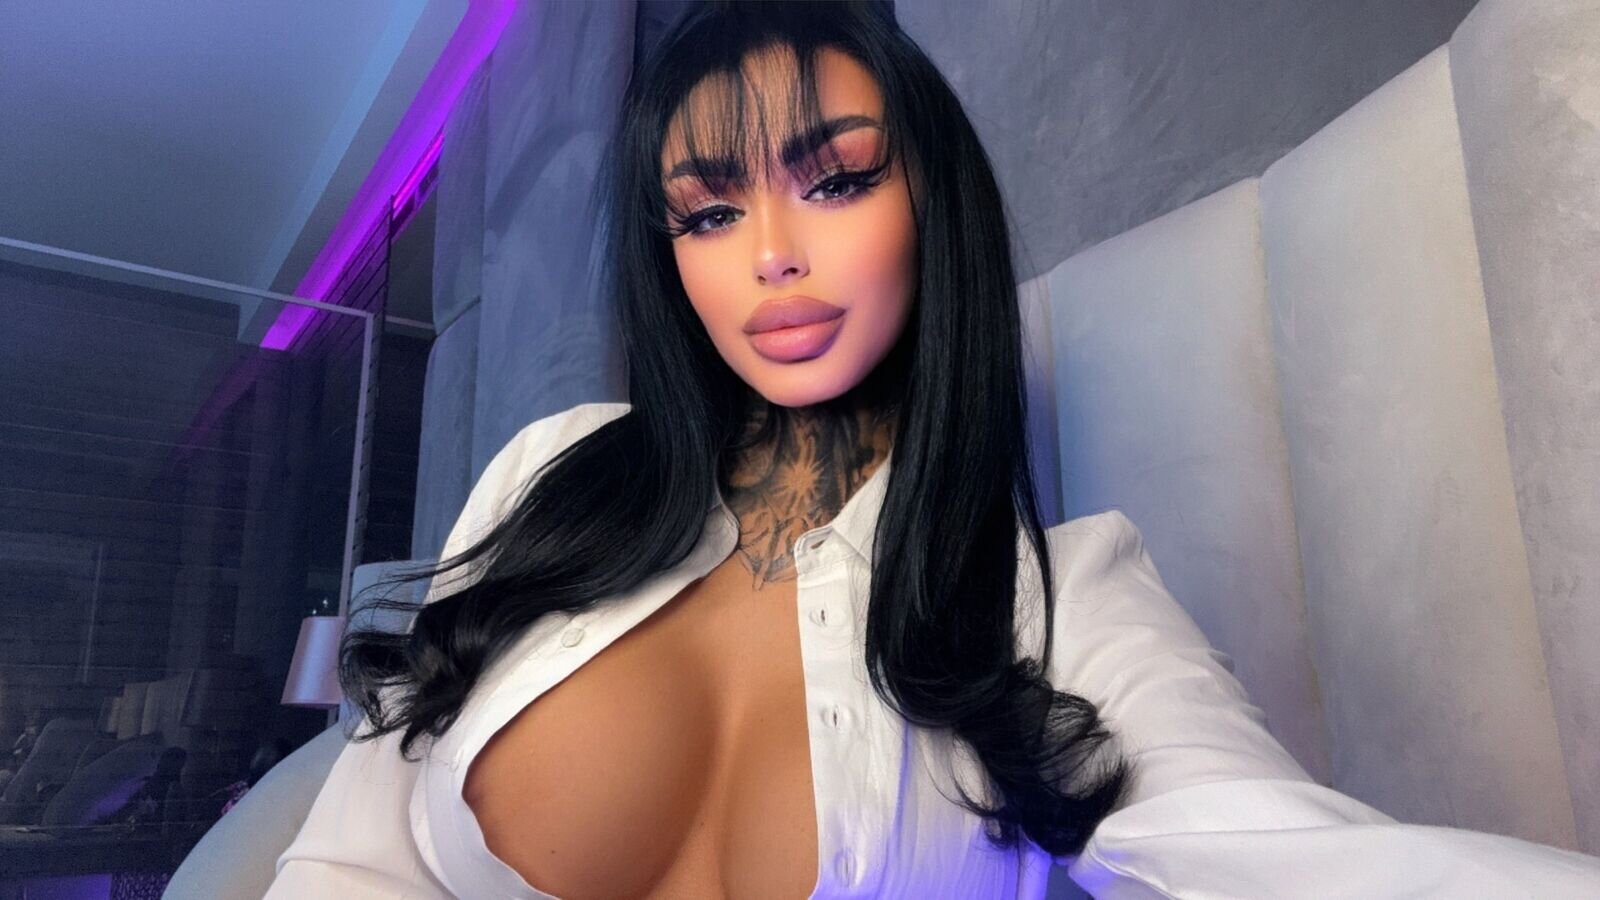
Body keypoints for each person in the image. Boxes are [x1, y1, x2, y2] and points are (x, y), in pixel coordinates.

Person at [268, 3, 1600, 897]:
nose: (772, 253)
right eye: (710, 211)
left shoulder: (1061, 601)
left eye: (838, 179)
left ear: (930, 205)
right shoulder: (557, 470)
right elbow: (349, 867)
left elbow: (1280, 859)